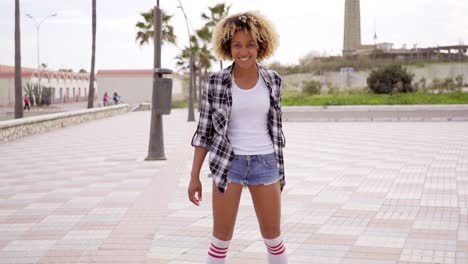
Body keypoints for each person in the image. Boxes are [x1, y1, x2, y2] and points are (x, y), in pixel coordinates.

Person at [189, 11, 287, 264]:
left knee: (274, 240)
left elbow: (275, 128)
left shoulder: (273, 81)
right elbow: (204, 133)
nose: (244, 51)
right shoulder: (216, 82)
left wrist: (280, 170)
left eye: (250, 44)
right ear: (227, 47)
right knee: (220, 242)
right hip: (228, 164)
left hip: (265, 163)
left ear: (261, 45)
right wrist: (194, 177)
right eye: (237, 45)